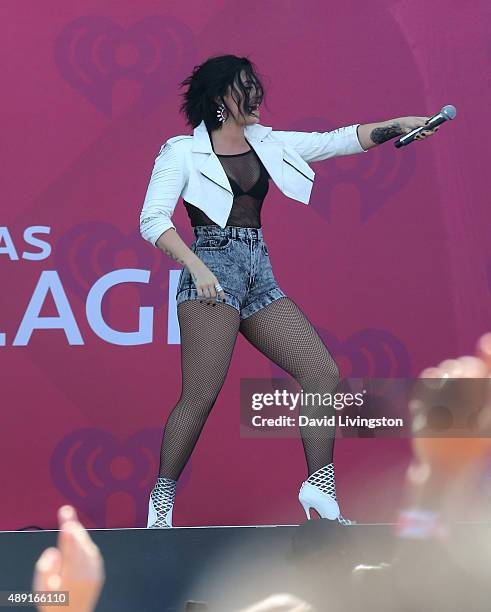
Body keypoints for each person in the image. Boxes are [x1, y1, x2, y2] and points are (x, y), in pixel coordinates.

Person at [139, 54, 439, 528]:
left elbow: (338, 140)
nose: (256, 94)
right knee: (200, 396)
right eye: (245, 87)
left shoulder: (268, 143)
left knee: (321, 372)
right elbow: (153, 220)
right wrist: (196, 268)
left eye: (257, 85)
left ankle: (319, 489)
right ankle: (161, 500)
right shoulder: (181, 151)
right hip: (211, 271)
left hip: (259, 272)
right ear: (220, 98)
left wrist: (397, 124)